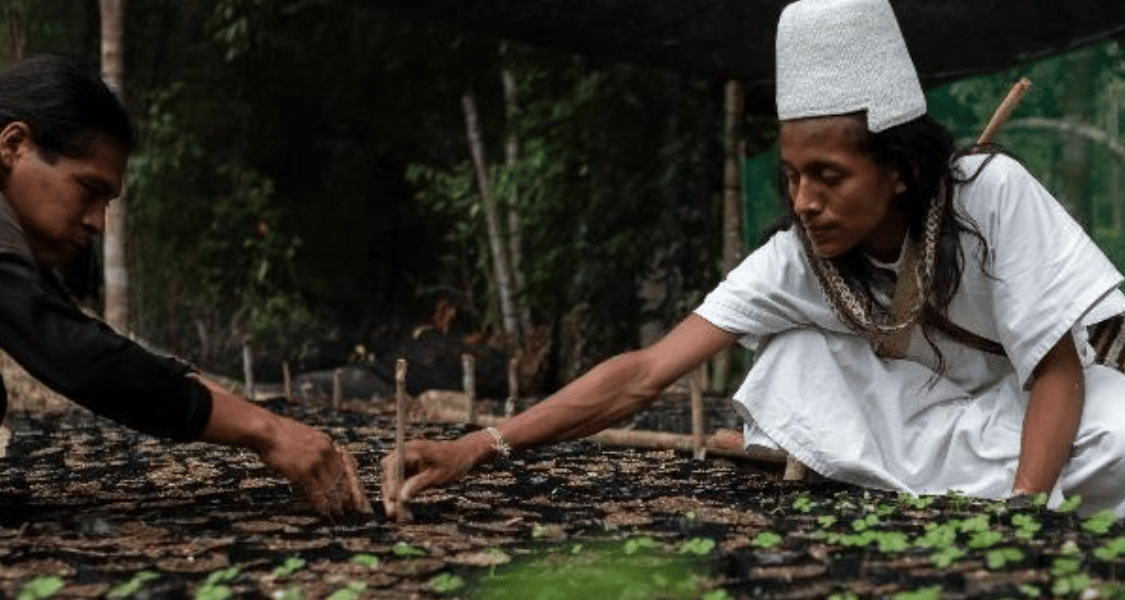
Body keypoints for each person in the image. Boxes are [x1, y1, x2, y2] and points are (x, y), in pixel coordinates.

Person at [381, 0, 1125, 518]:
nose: (803, 201)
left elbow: (1056, 369)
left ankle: (931, 481)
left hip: (1034, 419)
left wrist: (1023, 512)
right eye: (792, 176)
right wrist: (479, 445)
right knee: (799, 354)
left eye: (828, 177)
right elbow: (642, 374)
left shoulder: (988, 194)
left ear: (896, 167)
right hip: (918, 433)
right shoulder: (798, 260)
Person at [0, 55, 371, 520]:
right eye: (87, 189)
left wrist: (248, 413)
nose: (97, 222)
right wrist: (268, 433)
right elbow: (75, 356)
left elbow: (85, 336)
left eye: (107, 202)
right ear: (14, 145)